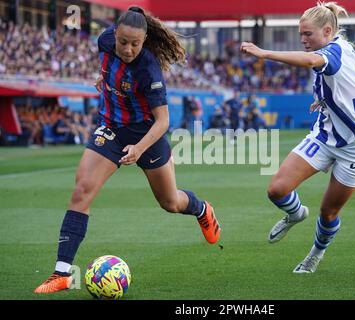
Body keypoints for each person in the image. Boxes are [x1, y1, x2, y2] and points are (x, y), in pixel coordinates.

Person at [34, 6, 221, 294]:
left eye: (135, 43)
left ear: (144, 40)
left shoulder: (148, 68)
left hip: (146, 134)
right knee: (82, 190)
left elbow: (163, 122)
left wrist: (139, 147)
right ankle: (61, 274)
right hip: (111, 128)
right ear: (115, 35)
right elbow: (108, 64)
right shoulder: (105, 39)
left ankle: (201, 208)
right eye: (123, 42)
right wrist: (104, 78)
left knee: (170, 202)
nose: (128, 49)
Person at [241, 1, 355, 273]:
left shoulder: (333, 52)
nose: (303, 40)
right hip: (327, 134)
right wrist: (326, 101)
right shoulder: (338, 47)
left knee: (328, 213)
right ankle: (295, 213)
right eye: (301, 34)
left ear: (327, 31)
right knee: (276, 190)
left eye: (308, 35)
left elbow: (311, 61)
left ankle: (316, 253)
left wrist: (264, 53)